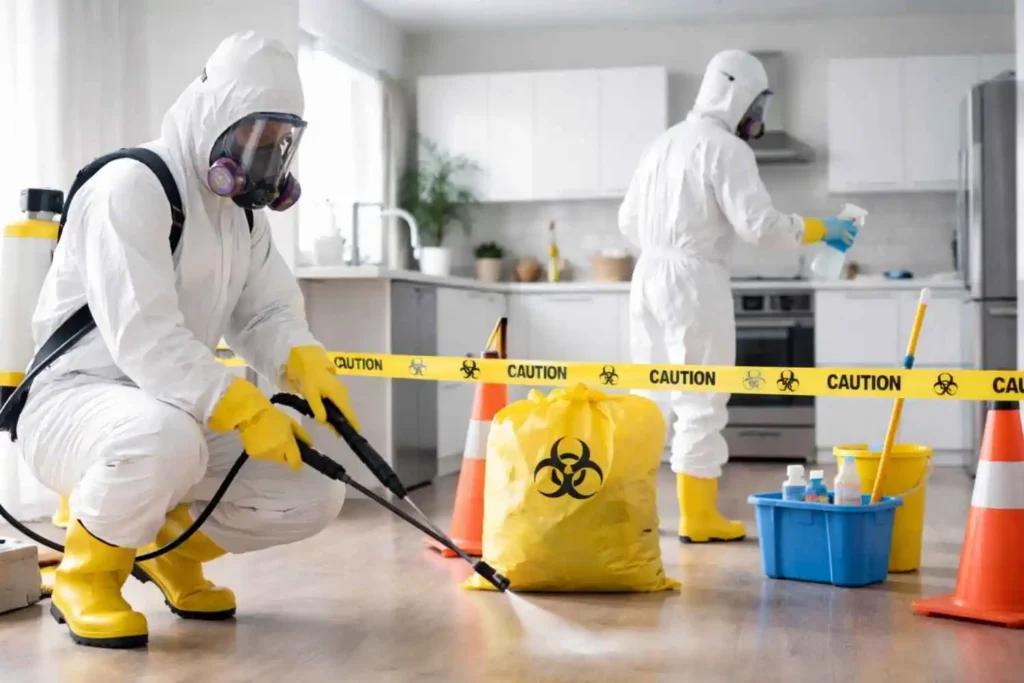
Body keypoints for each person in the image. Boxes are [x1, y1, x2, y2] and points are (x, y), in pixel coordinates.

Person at [18, 32, 359, 649]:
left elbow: (265, 314)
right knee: (164, 438)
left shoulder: (241, 216)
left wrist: (304, 364)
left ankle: (165, 550)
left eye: (281, 142)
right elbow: (143, 335)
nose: (267, 158)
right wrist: (240, 405)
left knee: (313, 486)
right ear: (213, 119)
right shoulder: (131, 186)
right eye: (255, 136)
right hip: (76, 403)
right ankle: (88, 575)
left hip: (174, 404)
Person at [618, 49, 857, 544]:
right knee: (701, 397)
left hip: (647, 274)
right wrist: (823, 227)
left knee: (648, 396)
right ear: (736, 96)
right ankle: (699, 517)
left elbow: (626, 222)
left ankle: (636, 513)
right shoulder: (727, 150)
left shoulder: (661, 144)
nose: (758, 118)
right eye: (756, 106)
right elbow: (762, 228)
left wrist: (664, 249)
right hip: (693, 279)